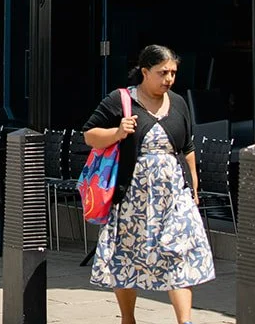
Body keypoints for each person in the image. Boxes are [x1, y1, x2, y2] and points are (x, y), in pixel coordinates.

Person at [85, 43, 214, 324]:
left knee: (178, 253)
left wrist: (193, 188)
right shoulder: (120, 101)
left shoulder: (178, 102)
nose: (169, 78)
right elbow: (90, 135)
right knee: (126, 255)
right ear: (145, 72)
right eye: (162, 72)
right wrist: (117, 132)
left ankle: (185, 321)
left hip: (174, 195)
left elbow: (188, 148)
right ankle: (128, 318)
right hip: (132, 195)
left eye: (173, 73)